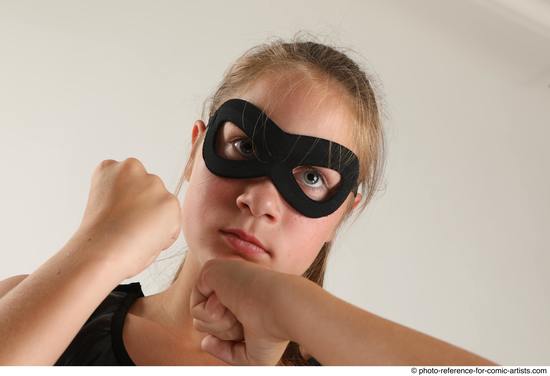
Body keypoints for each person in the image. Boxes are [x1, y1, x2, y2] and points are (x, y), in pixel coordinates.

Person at [0, 35, 497, 366]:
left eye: (311, 177)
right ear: (197, 149)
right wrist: (98, 250)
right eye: (246, 146)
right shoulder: (33, 308)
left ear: (345, 211)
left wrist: (293, 307)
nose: (260, 197)